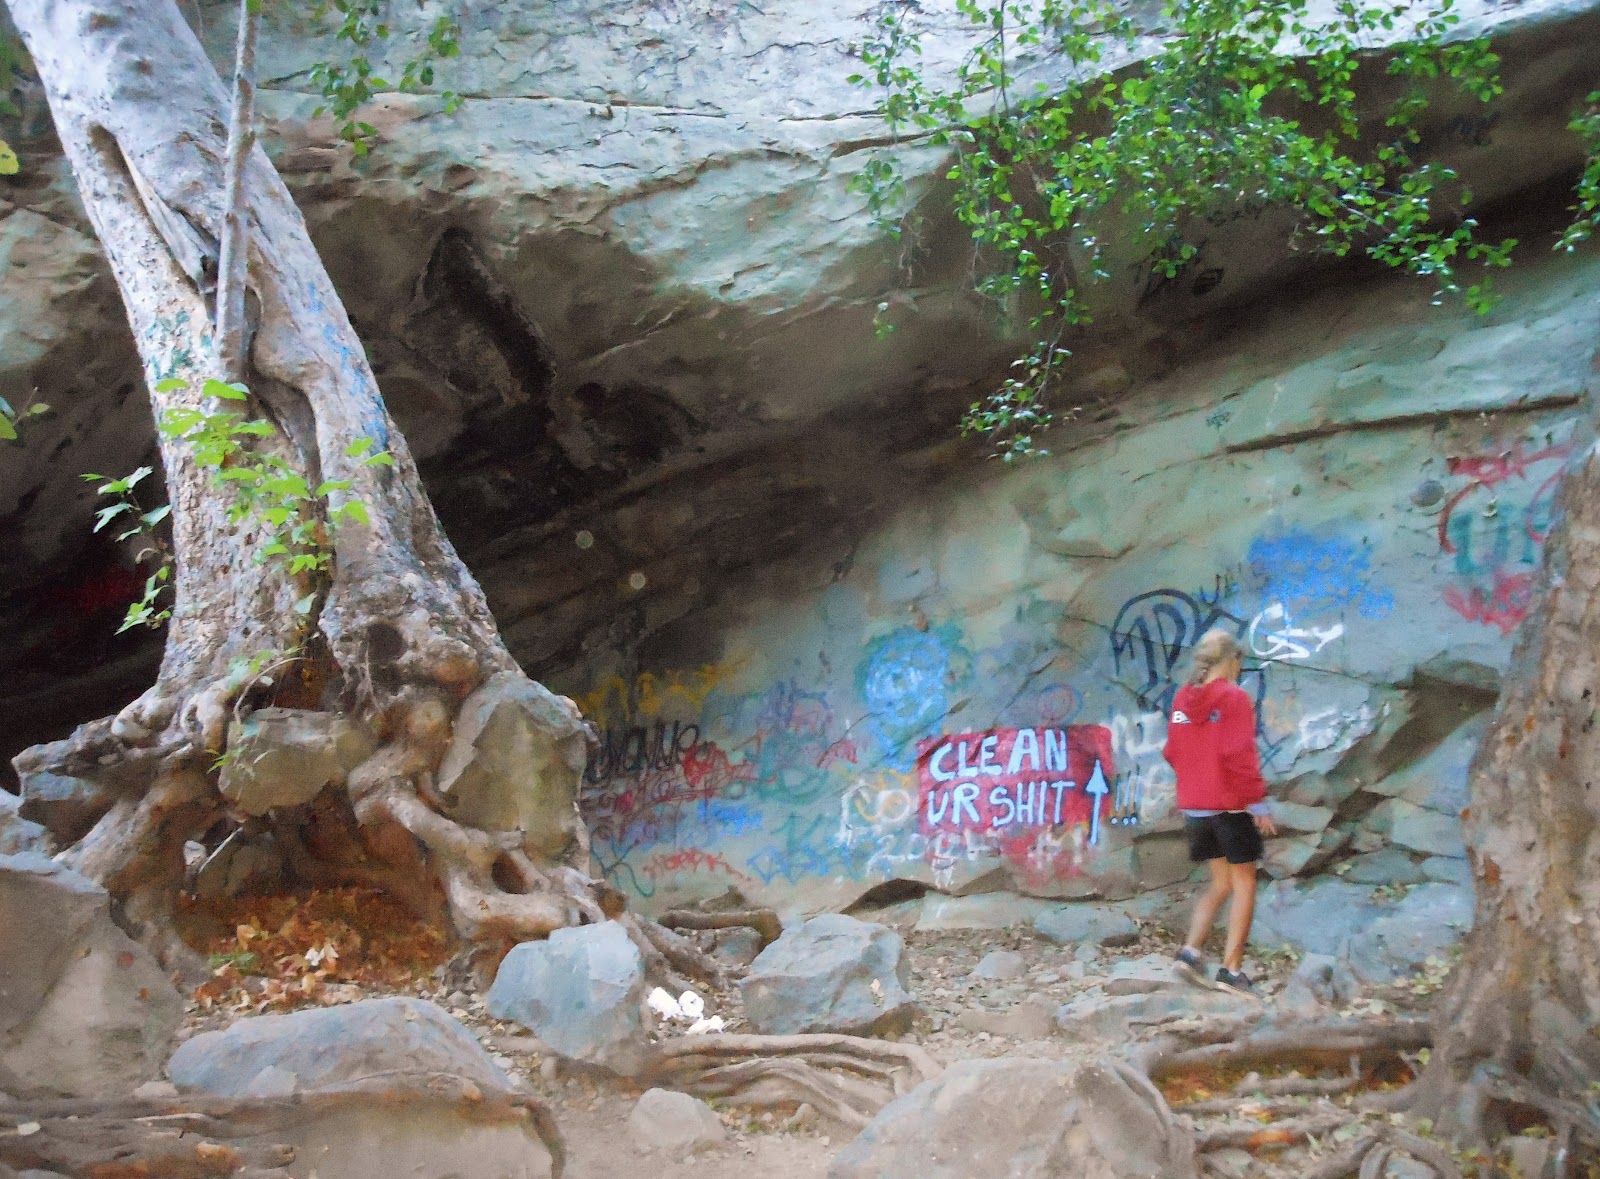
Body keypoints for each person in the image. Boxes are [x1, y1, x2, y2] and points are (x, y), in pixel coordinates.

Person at [1162, 628, 1276, 996]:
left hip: (1195, 807)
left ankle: (1189, 954)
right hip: (1229, 805)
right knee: (1244, 884)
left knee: (1220, 882)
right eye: (1239, 664)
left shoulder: (1183, 698)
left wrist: (1197, 781)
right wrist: (1256, 802)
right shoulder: (1233, 697)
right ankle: (1231, 971)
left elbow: (1172, 752)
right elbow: (1238, 753)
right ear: (1231, 661)